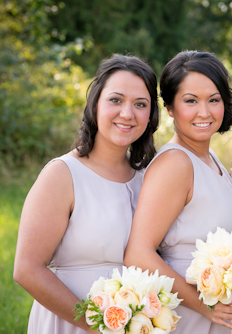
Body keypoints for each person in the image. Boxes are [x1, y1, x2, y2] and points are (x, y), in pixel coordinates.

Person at [13, 54, 159, 333]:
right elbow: (27, 270)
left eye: (140, 104)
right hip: (72, 323)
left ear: (150, 116)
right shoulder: (62, 174)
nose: (127, 113)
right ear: (95, 105)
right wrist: (97, 325)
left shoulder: (149, 179)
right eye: (115, 100)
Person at [124, 51, 232, 333]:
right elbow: (138, 253)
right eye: (191, 101)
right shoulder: (175, 163)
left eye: (214, 100)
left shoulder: (210, 158)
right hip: (189, 314)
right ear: (169, 107)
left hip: (216, 312)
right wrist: (205, 307)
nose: (204, 112)